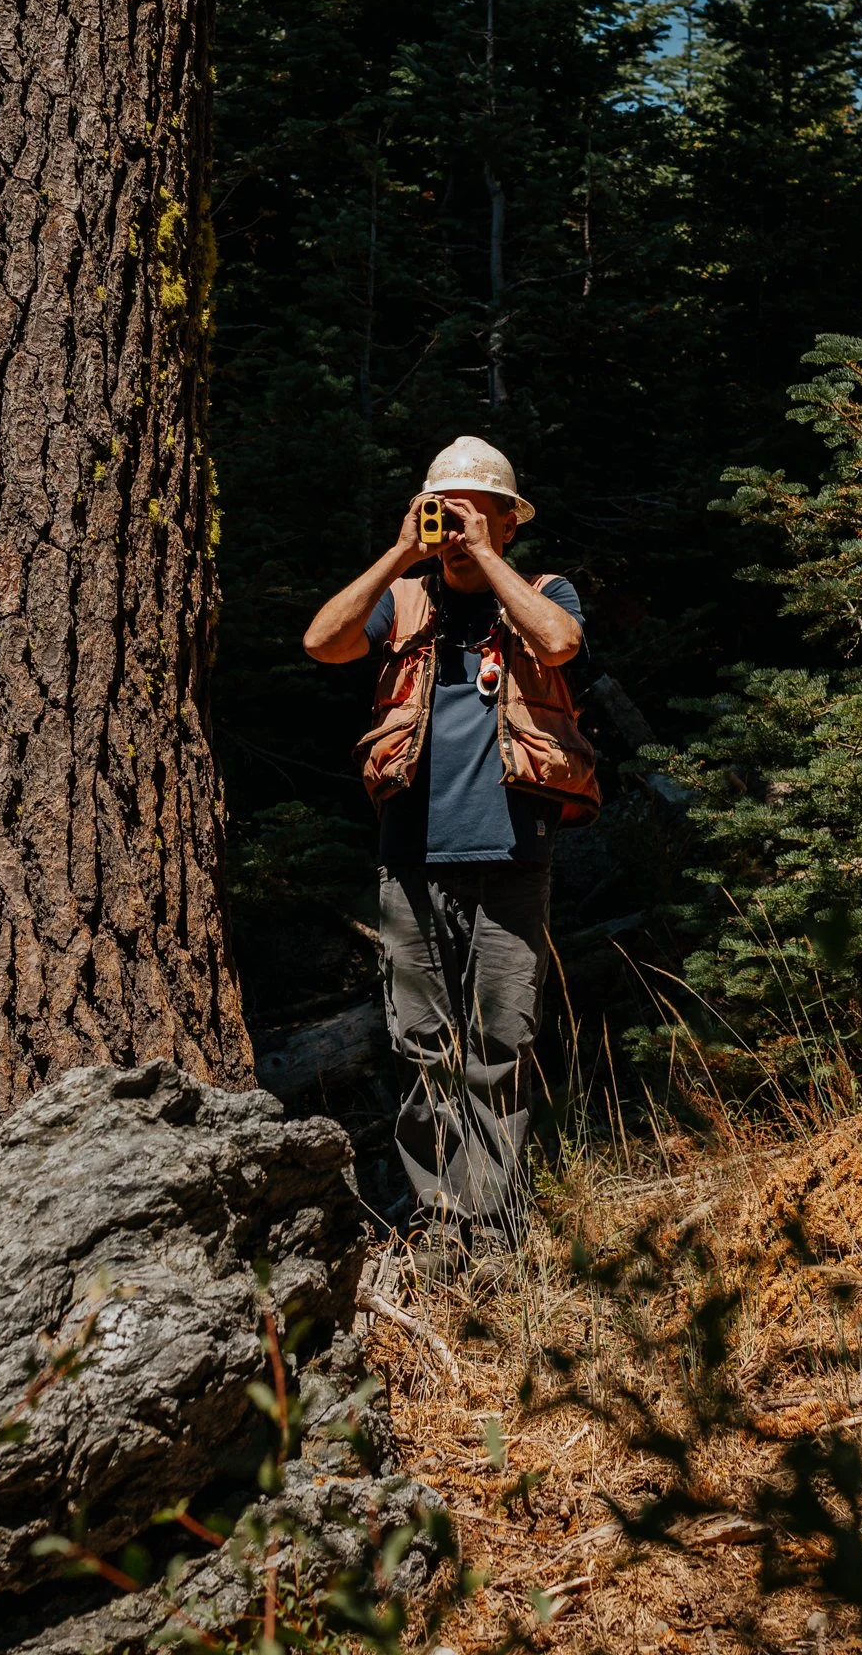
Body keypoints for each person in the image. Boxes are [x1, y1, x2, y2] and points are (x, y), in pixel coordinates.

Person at [302, 437, 596, 1280]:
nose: (458, 520)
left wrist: (484, 558)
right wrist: (402, 550)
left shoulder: (540, 590)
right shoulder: (402, 600)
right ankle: (441, 1230)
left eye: (477, 506)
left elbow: (560, 644)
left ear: (508, 517)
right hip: (410, 857)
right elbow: (323, 642)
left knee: (499, 1042)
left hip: (512, 850)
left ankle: (498, 1238)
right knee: (423, 1045)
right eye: (446, 504)